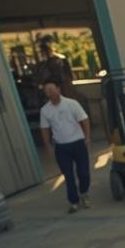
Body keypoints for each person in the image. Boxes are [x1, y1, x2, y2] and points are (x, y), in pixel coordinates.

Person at [39, 78, 91, 214]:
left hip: (78, 142)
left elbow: (84, 120)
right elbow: (44, 129)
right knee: (68, 176)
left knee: (83, 172)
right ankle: (73, 201)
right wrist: (48, 146)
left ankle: (84, 193)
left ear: (58, 89)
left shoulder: (71, 104)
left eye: (52, 89)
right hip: (62, 147)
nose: (50, 92)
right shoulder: (45, 110)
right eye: (47, 91)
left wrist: (87, 137)